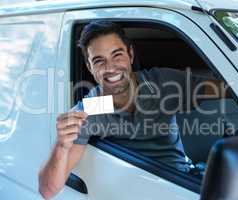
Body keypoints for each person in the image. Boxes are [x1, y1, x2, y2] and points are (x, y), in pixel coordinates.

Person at [38, 20, 205, 199]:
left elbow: (229, 88)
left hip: (182, 183)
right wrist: (61, 145)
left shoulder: (162, 83)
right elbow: (48, 191)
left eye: (117, 55)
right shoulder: (91, 109)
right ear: (90, 67)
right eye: (99, 60)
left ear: (130, 55)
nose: (110, 68)